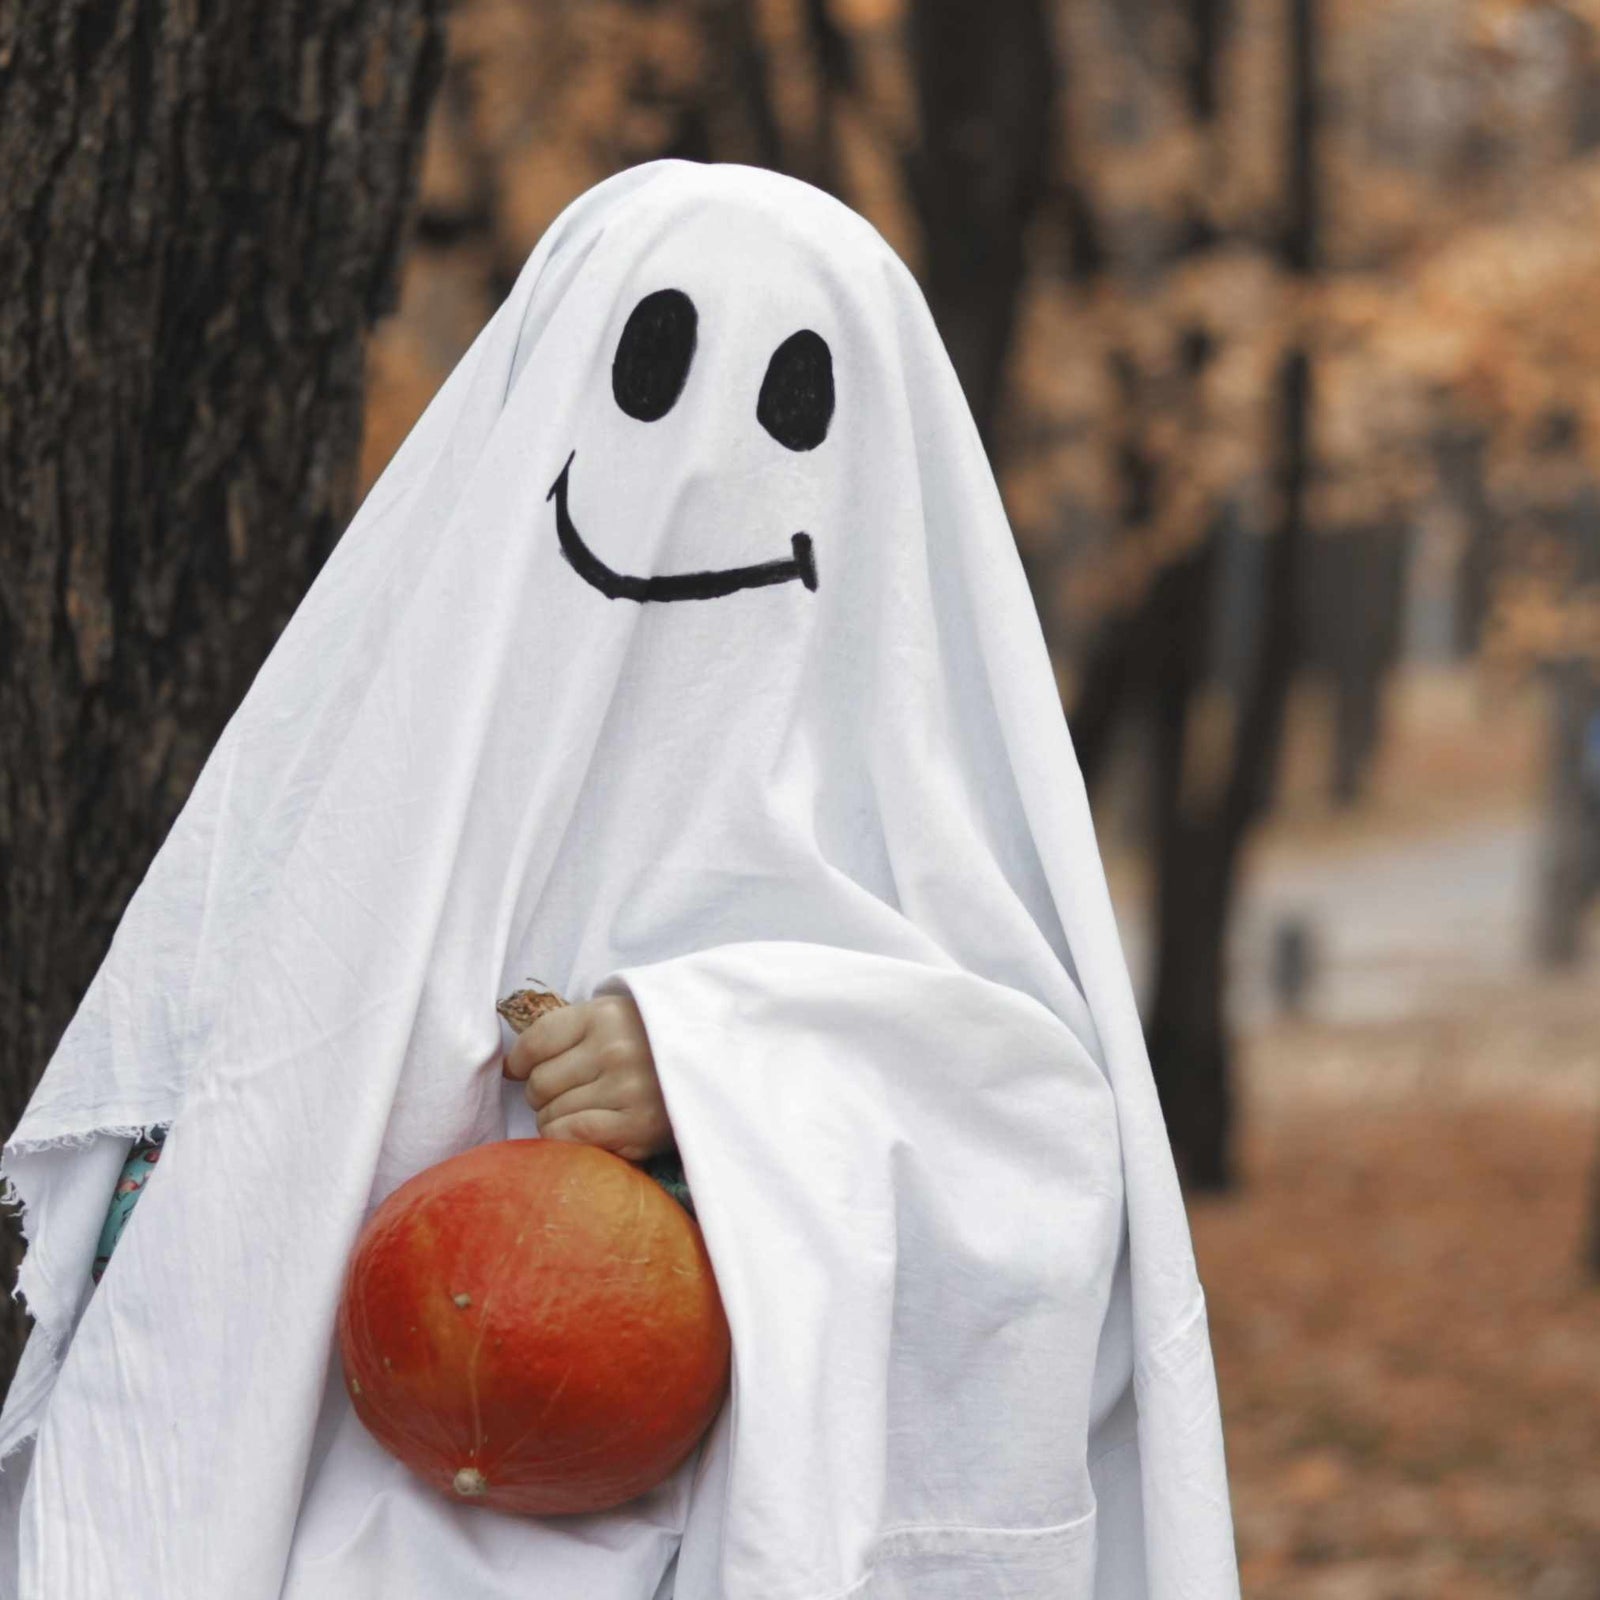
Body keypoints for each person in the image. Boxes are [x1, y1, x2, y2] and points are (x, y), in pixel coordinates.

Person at [0, 159, 1239, 1599]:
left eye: (790, 405)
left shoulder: (927, 824)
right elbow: (229, 1160)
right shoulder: (370, 793)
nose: (706, 462)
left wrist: (724, 1071)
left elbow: (1051, 1163)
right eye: (646, 377)